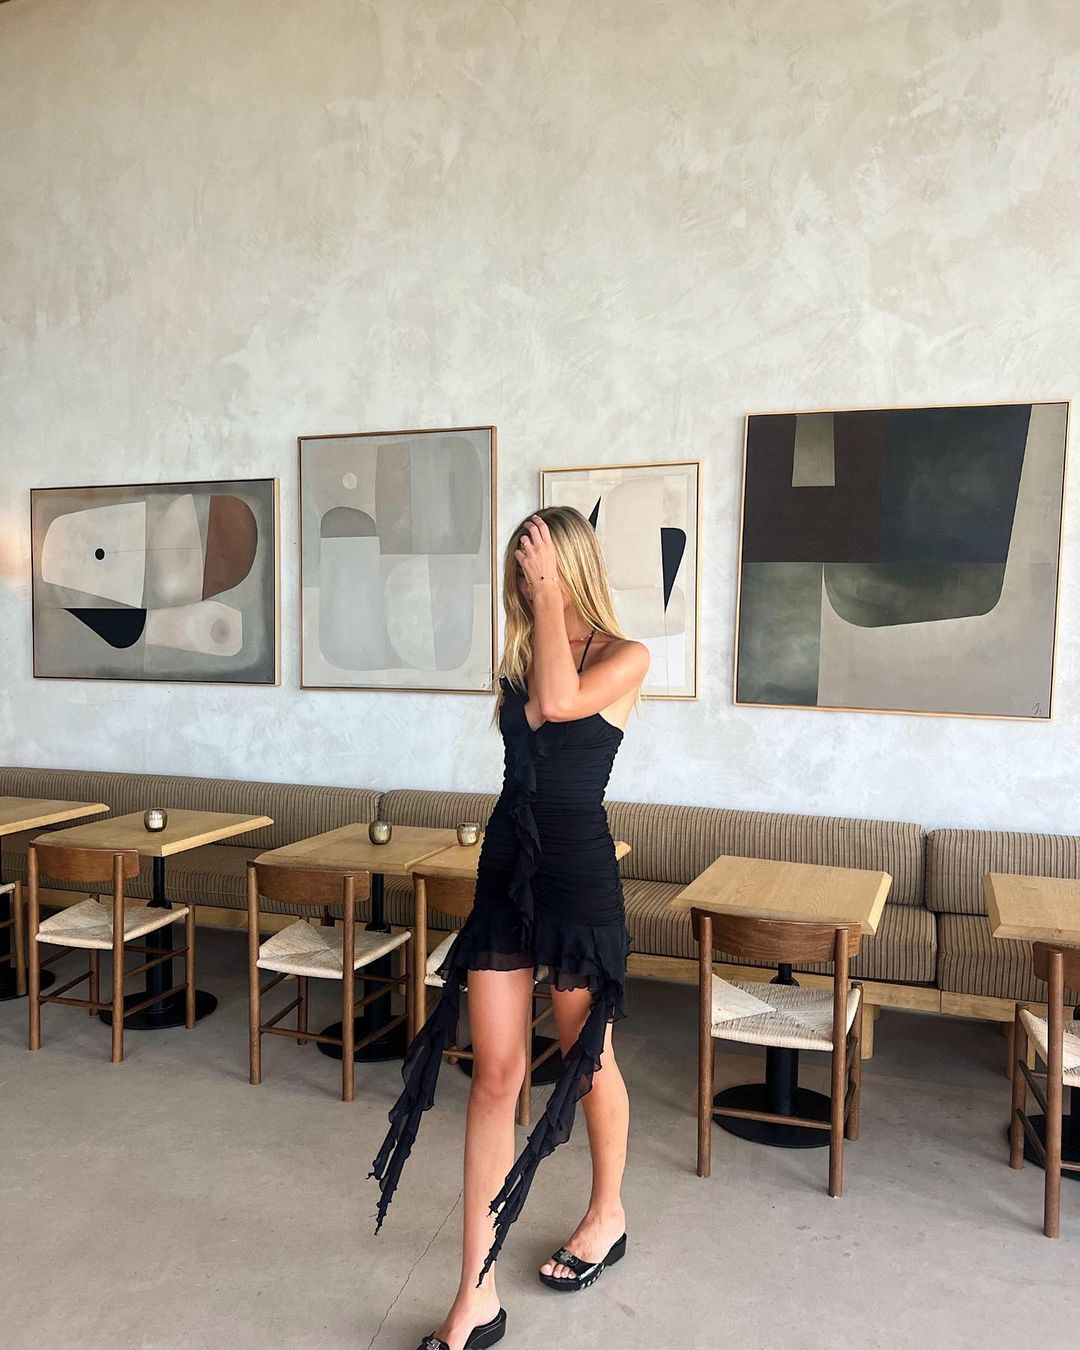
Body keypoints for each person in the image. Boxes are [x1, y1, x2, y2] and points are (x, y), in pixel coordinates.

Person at [371, 506, 649, 1350]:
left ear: (566, 569)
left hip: (577, 875)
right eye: (520, 573)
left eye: (535, 569)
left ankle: (607, 1212)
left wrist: (549, 596)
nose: (524, 585)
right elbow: (529, 726)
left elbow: (560, 705)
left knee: (586, 1058)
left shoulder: (626, 655)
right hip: (507, 868)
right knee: (494, 1075)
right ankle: (476, 1295)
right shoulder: (522, 658)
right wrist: (540, 612)